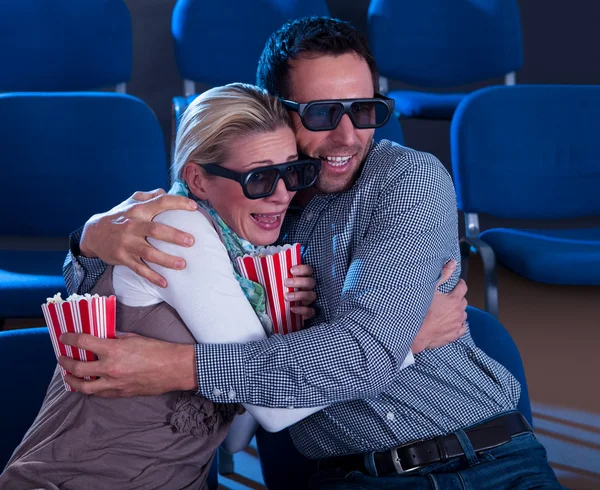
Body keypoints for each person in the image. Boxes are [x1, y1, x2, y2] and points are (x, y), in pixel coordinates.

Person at [56, 16, 562, 490]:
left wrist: (179, 367)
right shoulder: (249, 202)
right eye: (322, 113)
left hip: (486, 459)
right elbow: (119, 290)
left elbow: (366, 352)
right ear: (276, 110)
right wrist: (87, 239)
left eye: (364, 111)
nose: (347, 136)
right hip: (353, 477)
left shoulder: (406, 181)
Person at [1, 83, 355, 489]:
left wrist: (278, 324)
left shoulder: (241, 260)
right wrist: (399, 337)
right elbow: (273, 410)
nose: (282, 196)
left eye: (292, 172)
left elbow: (235, 439)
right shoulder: (178, 230)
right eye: (259, 178)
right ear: (198, 180)